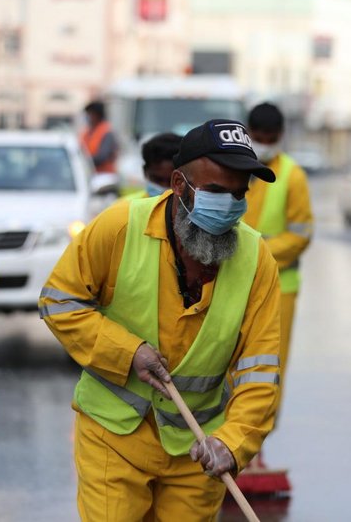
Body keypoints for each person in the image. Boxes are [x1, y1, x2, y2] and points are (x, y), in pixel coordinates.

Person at [40, 119, 282, 521]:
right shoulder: (118, 228)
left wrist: (232, 443)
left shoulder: (257, 261)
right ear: (178, 184)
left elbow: (259, 371)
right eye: (217, 192)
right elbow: (59, 302)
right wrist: (127, 352)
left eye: (240, 194)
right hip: (113, 437)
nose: (230, 206)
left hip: (198, 449)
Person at [241, 102, 313, 469]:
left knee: (267, 370)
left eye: (270, 139)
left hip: (279, 290)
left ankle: (256, 448)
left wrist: (258, 253)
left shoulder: (292, 177)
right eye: (259, 138)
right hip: (231, 288)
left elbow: (301, 234)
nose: (265, 144)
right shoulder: (236, 169)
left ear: (281, 137)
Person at [123, 132, 182, 200]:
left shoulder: (193, 209)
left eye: (171, 181)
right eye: (158, 180)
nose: (164, 189)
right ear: (145, 171)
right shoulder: (124, 208)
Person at [81, 100, 118, 173]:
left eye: (90, 114)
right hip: (90, 173)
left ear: (97, 115)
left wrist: (82, 161)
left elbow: (102, 157)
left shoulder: (107, 132)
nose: (88, 117)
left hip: (104, 176)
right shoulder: (86, 132)